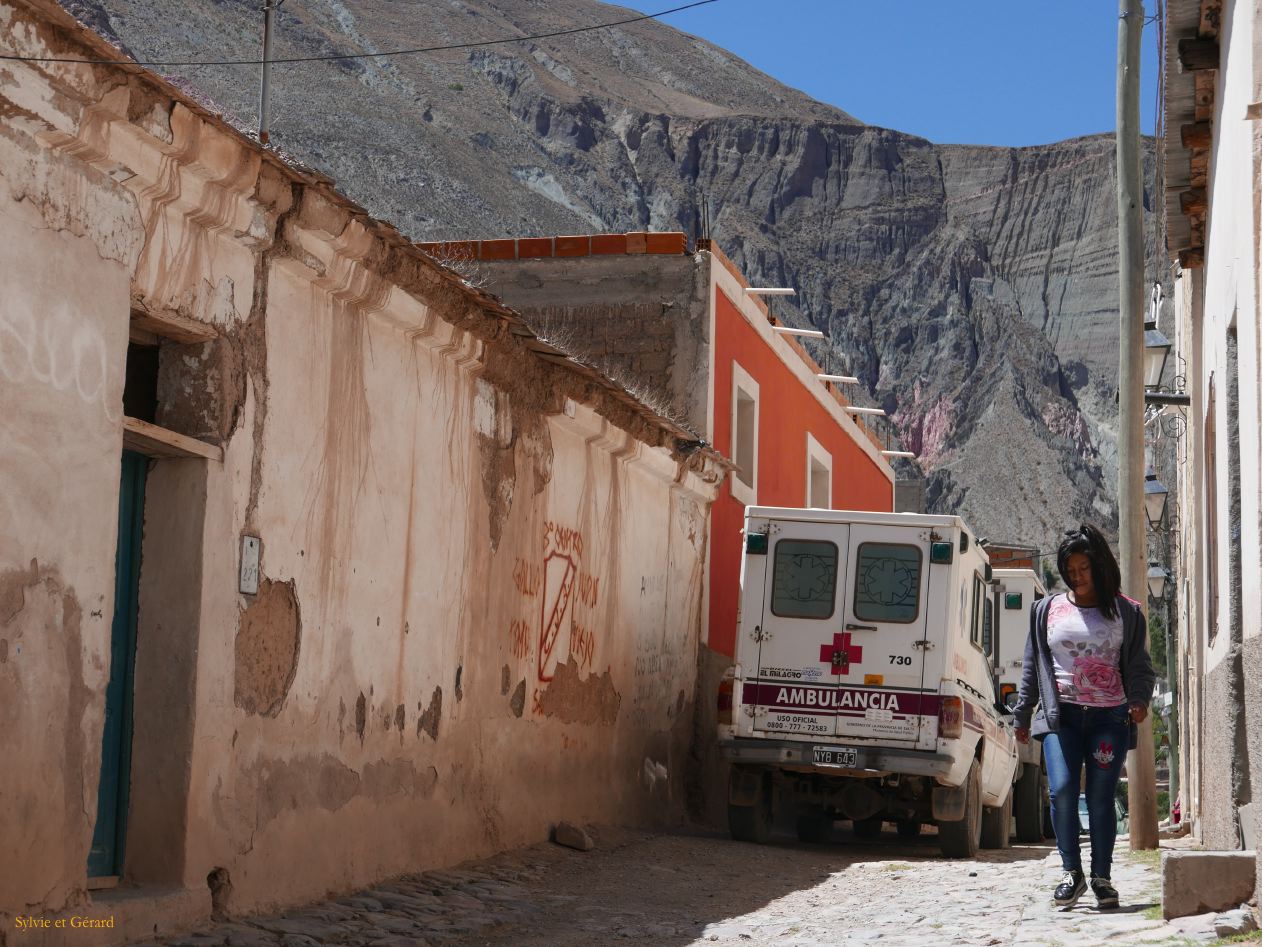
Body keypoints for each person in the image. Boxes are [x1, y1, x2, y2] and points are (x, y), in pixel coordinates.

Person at [1012, 525, 1156, 910]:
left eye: (1084, 569)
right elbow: (1031, 667)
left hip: (1110, 718)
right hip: (1062, 718)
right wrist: (1022, 716)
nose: (1077, 577)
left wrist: (1139, 700)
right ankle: (1071, 873)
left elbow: (1141, 668)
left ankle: (1102, 878)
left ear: (1100, 567)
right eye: (1070, 570)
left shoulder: (1127, 611)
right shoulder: (1046, 610)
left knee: (1100, 798)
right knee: (1060, 790)